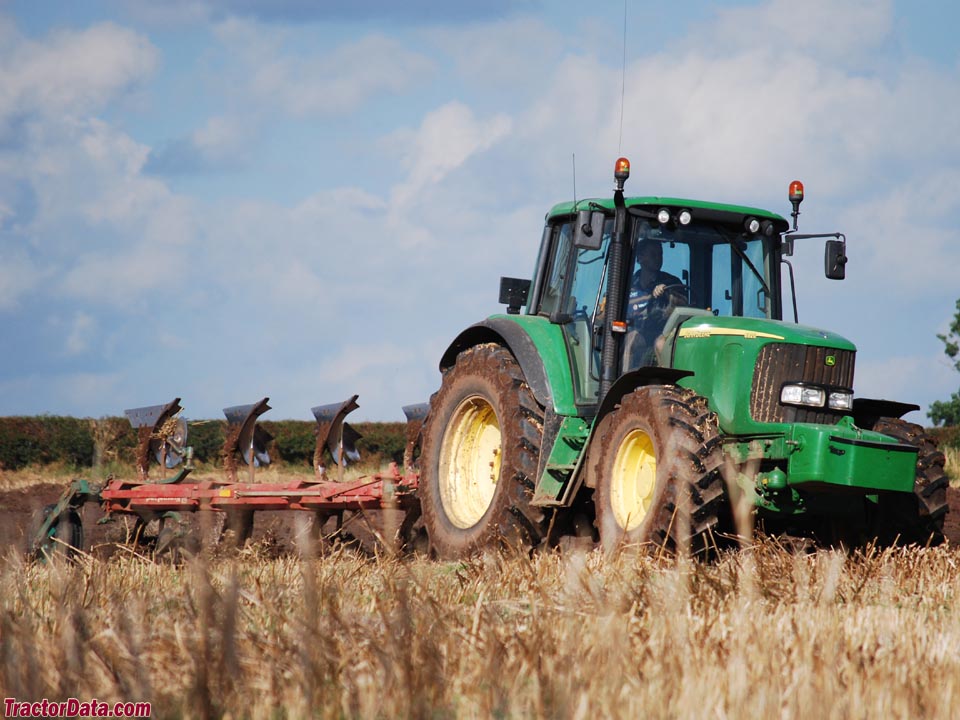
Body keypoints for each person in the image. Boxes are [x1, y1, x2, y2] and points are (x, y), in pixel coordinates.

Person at [624, 238, 685, 367]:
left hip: (663, 331)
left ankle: (665, 385)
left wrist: (669, 294)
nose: (658, 258)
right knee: (631, 339)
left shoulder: (670, 281)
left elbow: (683, 304)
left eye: (660, 254)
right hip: (639, 331)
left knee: (661, 343)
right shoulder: (627, 285)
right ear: (640, 258)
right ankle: (624, 379)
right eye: (653, 254)